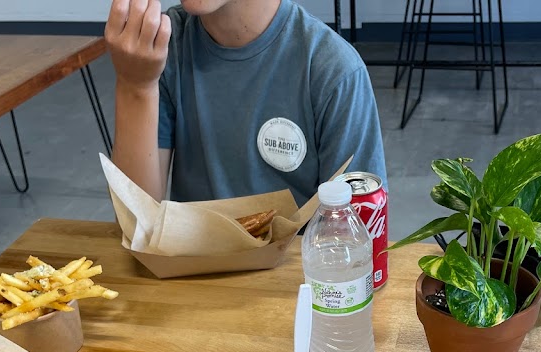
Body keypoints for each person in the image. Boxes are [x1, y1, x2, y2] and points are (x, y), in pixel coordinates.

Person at [105, 0, 387, 206]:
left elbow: (359, 232)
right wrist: (135, 86)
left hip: (300, 269)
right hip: (191, 265)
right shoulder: (165, 46)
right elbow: (135, 223)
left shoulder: (332, 70)